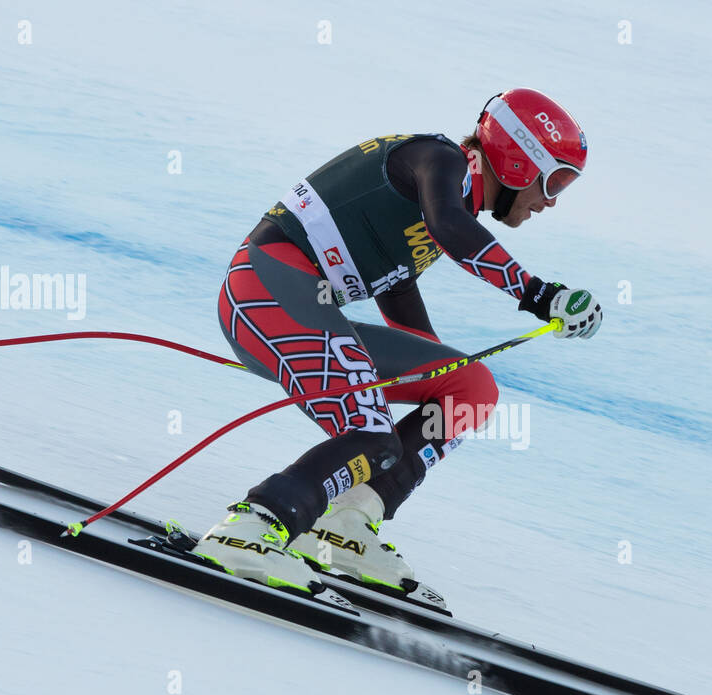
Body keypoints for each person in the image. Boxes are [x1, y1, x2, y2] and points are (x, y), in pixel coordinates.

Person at [195, 88, 604, 599]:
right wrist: (538, 294)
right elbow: (450, 229)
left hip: (298, 303)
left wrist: (438, 374)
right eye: (556, 180)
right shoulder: (440, 161)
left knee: (470, 389)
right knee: (372, 433)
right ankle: (253, 529)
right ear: (521, 163)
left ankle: (345, 526)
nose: (551, 201)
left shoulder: (446, 198)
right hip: (265, 290)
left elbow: (396, 279)